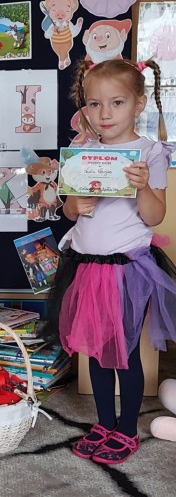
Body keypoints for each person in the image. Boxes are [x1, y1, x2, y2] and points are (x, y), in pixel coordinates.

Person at [51, 58, 176, 465]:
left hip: (126, 270)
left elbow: (154, 216)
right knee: (95, 352)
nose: (104, 114)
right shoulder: (83, 152)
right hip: (87, 266)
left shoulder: (150, 153)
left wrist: (142, 188)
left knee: (123, 353)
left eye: (117, 103)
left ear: (138, 104)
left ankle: (127, 429)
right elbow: (70, 210)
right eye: (94, 104)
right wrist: (74, 206)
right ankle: (105, 423)